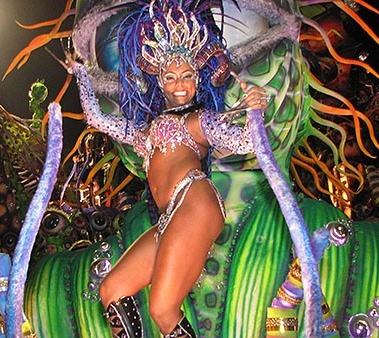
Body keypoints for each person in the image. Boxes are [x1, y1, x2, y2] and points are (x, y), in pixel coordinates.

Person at [61, 1, 270, 336]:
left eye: (187, 76)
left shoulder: (199, 120)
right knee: (112, 290)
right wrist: (82, 75)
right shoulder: (144, 132)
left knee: (162, 308)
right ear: (159, 81)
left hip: (194, 203)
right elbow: (97, 119)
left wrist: (257, 110)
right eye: (170, 77)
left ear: (197, 79)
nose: (179, 85)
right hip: (170, 216)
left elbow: (247, 142)